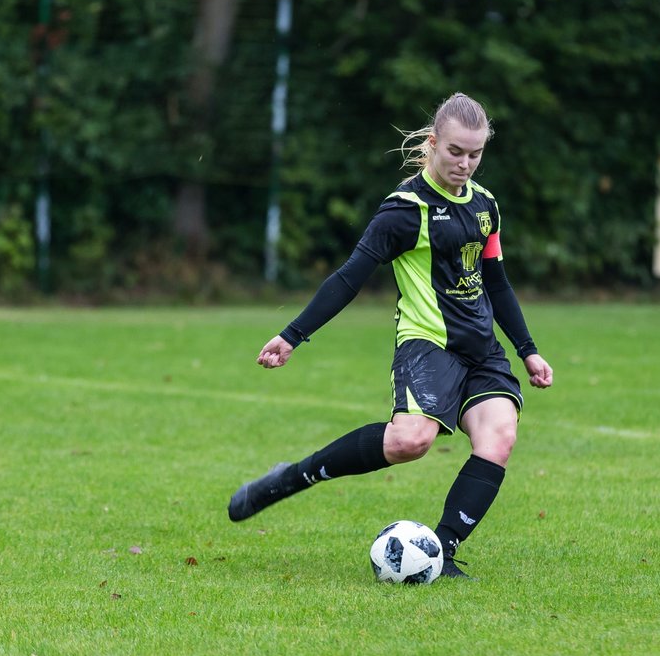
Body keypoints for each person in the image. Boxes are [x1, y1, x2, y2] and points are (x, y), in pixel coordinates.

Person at [228, 92, 554, 579]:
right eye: (455, 152)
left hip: (481, 349)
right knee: (410, 442)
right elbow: (348, 277)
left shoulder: (486, 206)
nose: (465, 164)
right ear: (433, 143)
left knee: (499, 436)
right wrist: (293, 335)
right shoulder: (405, 209)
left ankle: (441, 552)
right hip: (428, 345)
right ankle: (292, 477)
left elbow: (497, 282)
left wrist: (527, 350)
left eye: (475, 154)